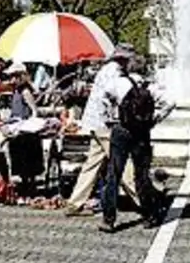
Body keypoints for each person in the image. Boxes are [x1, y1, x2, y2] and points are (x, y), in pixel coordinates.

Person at [65, 46, 137, 216]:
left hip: (94, 122)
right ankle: (144, 200)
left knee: (92, 164)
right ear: (124, 59)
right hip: (105, 124)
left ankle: (75, 202)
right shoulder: (115, 73)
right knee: (123, 164)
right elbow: (114, 98)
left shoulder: (106, 70)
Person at [98, 54, 162, 232]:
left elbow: (103, 98)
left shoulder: (119, 83)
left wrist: (108, 118)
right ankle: (149, 215)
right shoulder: (151, 86)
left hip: (122, 130)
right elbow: (170, 102)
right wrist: (154, 119)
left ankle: (108, 219)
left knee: (114, 174)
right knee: (141, 174)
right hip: (142, 133)